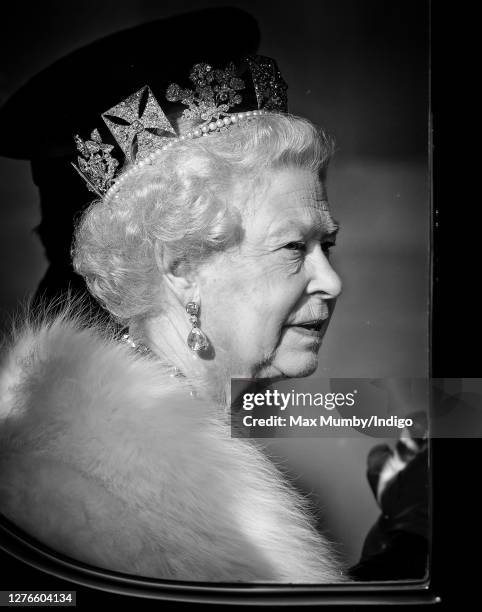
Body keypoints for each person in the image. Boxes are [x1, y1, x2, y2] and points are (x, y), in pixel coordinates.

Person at [0, 56, 345, 582]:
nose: (331, 281)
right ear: (182, 267)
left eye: (329, 245)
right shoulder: (65, 502)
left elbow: (439, 407)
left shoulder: (232, 414)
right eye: (294, 247)